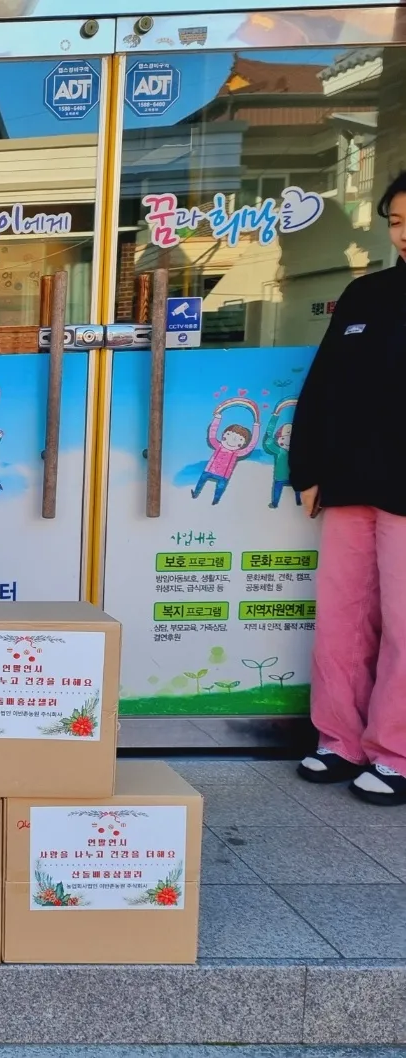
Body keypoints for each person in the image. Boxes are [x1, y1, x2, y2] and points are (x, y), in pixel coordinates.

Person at [290, 169, 406, 807]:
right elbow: (324, 387)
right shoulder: (366, 295)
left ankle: (396, 753)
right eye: (395, 222)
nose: (404, 234)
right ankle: (339, 740)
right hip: (349, 484)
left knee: (405, 625)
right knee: (341, 619)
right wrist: (306, 468)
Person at [192, 410, 259, 505]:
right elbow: (212, 434)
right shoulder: (218, 445)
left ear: (243, 443)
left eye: (239, 439)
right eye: (228, 435)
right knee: (201, 482)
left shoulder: (237, 453)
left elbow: (252, 445)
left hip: (223, 475)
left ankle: (215, 500)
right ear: (223, 434)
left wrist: (256, 427)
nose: (232, 440)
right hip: (209, 470)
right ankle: (195, 493)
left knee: (220, 488)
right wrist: (217, 418)